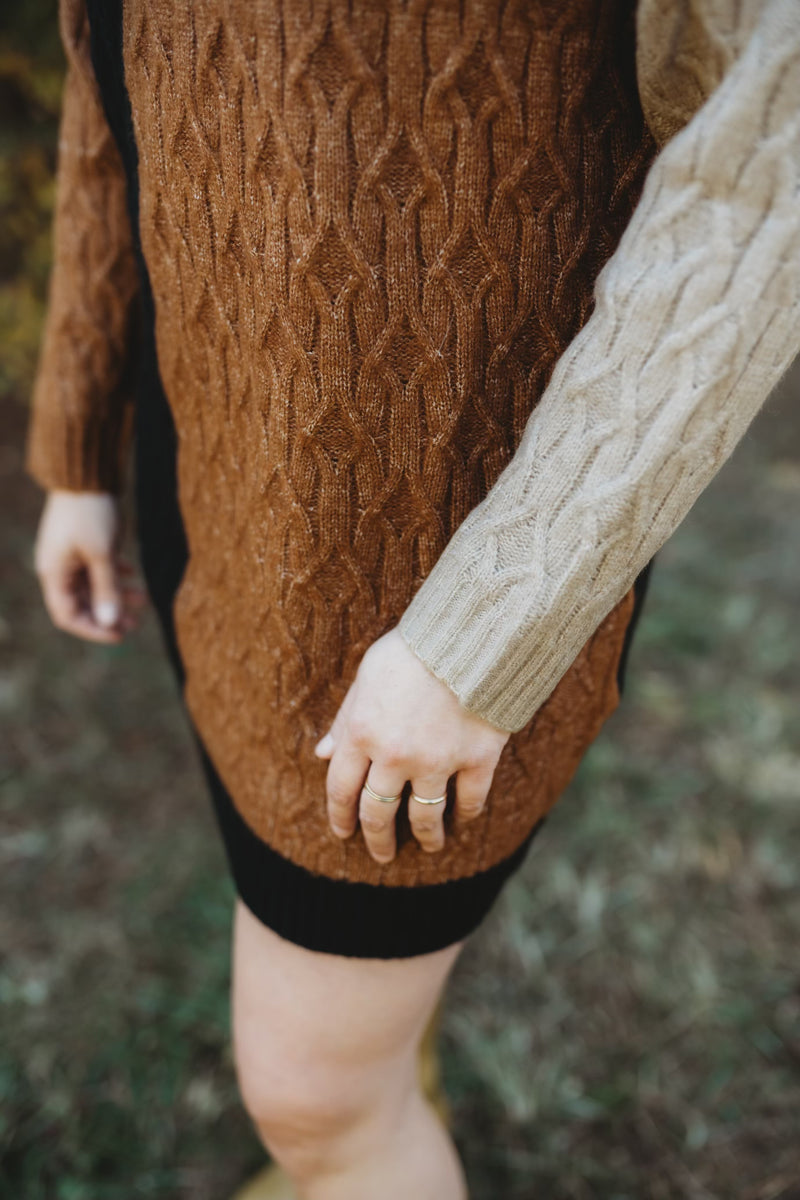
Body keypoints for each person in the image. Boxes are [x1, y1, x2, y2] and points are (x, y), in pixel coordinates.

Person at [25, 0, 800, 1196]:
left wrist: (480, 635)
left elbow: (758, 181)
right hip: (219, 468)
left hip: (421, 596)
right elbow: (106, 54)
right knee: (355, 1042)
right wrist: (82, 427)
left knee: (312, 1099)